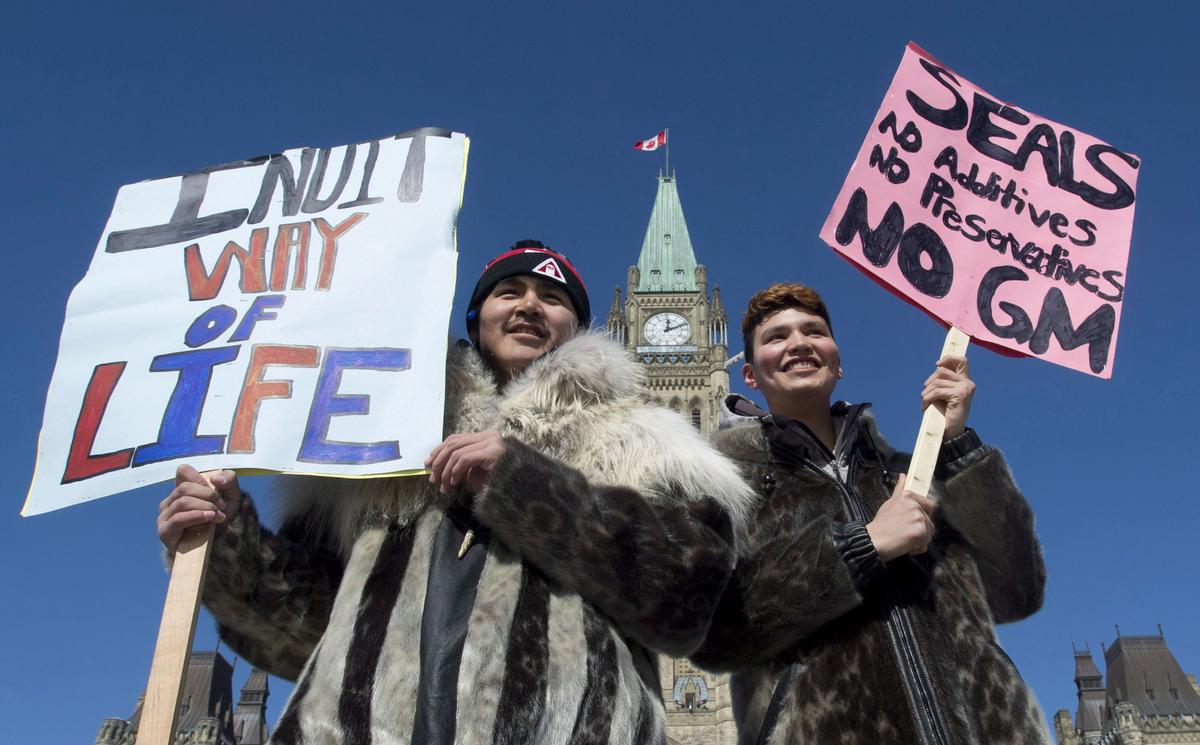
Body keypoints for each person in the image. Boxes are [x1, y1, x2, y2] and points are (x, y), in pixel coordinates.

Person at [157, 240, 755, 745]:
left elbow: (688, 593)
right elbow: (305, 624)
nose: (529, 306)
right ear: (475, 318)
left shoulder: (648, 442)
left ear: (585, 329)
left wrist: (523, 484)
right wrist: (225, 540)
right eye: (508, 292)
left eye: (551, 298)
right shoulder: (384, 435)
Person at [691, 283, 1049, 745]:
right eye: (777, 336)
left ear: (839, 361)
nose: (799, 342)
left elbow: (1015, 593)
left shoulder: (907, 477)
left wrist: (957, 445)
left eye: (814, 331)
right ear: (748, 376)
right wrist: (863, 545)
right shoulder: (723, 488)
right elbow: (713, 628)